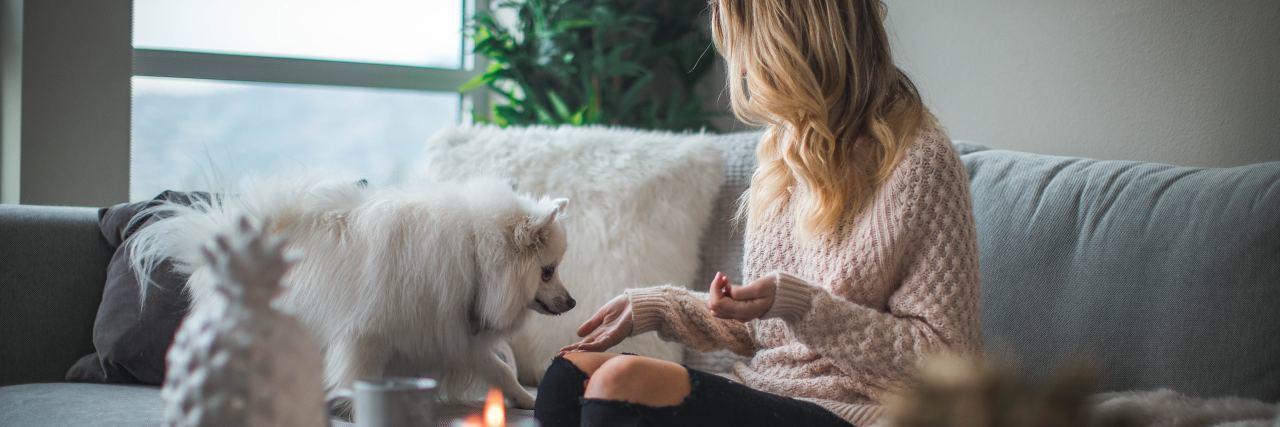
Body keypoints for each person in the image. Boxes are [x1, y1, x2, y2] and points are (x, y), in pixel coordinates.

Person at [533, 1, 980, 425]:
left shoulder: (920, 162)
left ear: (792, 44)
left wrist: (803, 306)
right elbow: (764, 331)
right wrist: (659, 309)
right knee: (567, 377)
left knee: (618, 383)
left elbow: (946, 365)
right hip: (769, 392)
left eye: (746, 49)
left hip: (854, 411)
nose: (741, 69)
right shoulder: (783, 152)